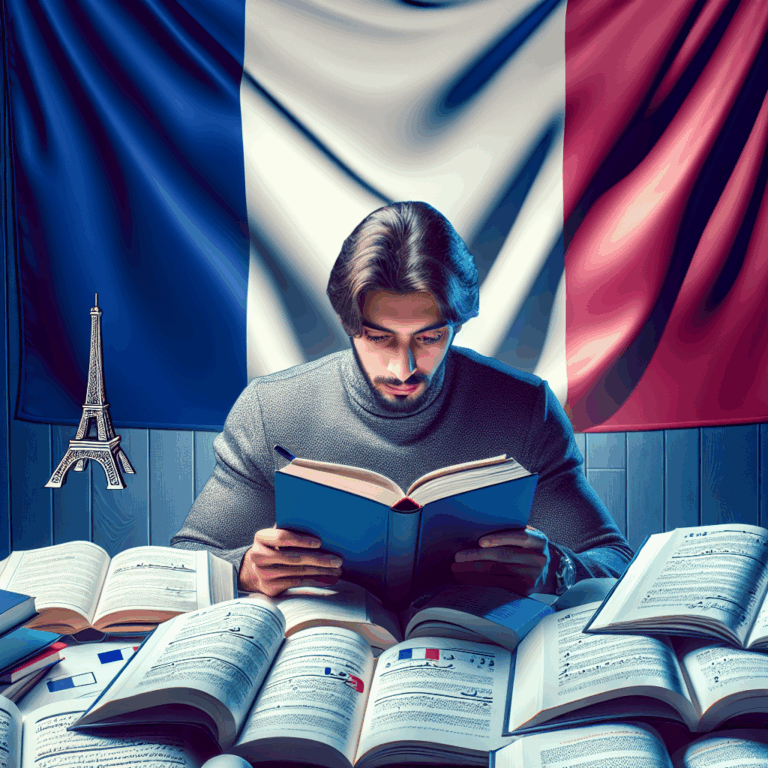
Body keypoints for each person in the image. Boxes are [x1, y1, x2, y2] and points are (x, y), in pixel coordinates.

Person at [171, 201, 633, 600]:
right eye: (378, 338)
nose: (403, 367)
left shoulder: (524, 408)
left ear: (457, 323)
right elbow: (187, 564)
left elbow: (615, 562)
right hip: (322, 657)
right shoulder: (271, 411)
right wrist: (245, 570)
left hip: (476, 655)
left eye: (429, 337)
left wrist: (557, 567)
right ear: (350, 325)